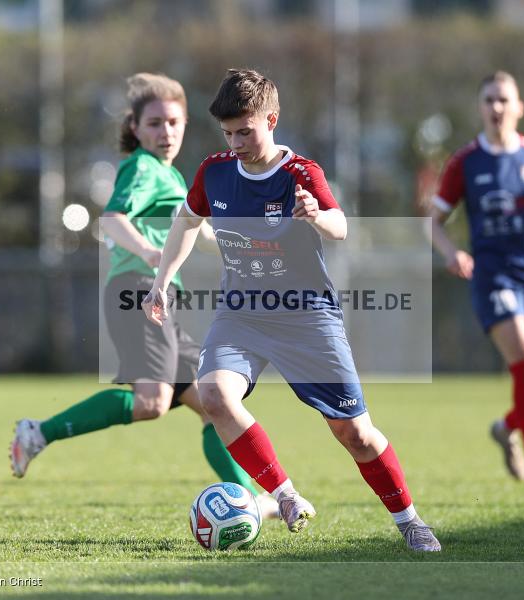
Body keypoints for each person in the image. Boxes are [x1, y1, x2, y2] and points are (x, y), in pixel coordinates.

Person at [142, 68, 441, 552]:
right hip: (241, 314)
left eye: (245, 131)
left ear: (272, 119)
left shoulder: (301, 173)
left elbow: (340, 226)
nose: (236, 143)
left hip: (307, 317)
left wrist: (315, 215)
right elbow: (188, 220)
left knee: (355, 433)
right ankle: (284, 495)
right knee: (215, 396)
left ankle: (409, 520)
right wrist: (160, 282)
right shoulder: (214, 171)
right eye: (228, 133)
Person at [9, 73, 277, 518]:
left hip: (160, 299)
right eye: (154, 123)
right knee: (152, 403)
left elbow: (202, 231)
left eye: (174, 122)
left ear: (186, 124)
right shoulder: (141, 167)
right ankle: (38, 432)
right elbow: (112, 219)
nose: (165, 131)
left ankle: (246, 500)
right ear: (135, 128)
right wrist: (152, 252)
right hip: (135, 290)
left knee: (215, 403)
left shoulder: (171, 175)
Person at [429, 71, 524, 484]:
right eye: (489, 100)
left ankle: (505, 427)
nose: (496, 108)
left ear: (519, 107)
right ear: (480, 107)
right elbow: (433, 223)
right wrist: (453, 252)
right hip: (493, 276)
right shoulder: (466, 162)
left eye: (503, 100)